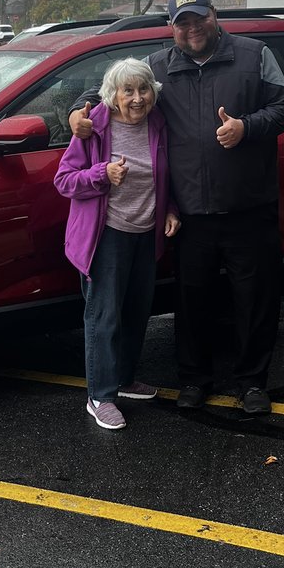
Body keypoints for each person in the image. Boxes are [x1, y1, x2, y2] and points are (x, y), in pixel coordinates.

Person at [69, 0, 284, 415]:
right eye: (182, 22)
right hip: (188, 212)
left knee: (255, 300)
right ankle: (194, 379)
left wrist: (247, 127)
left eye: (199, 18)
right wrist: (77, 112)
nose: (192, 29)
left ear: (214, 15)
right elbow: (111, 92)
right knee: (192, 302)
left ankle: (252, 383)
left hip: (249, 205)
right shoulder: (157, 67)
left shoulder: (254, 54)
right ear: (171, 27)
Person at [54, 58, 180, 430]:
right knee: (104, 317)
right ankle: (100, 396)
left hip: (145, 232)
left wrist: (170, 209)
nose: (137, 99)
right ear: (114, 95)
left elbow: (164, 176)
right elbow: (64, 181)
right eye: (128, 91)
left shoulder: (157, 123)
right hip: (106, 235)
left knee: (136, 311)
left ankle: (124, 380)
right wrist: (101, 174)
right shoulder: (94, 128)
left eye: (143, 90)